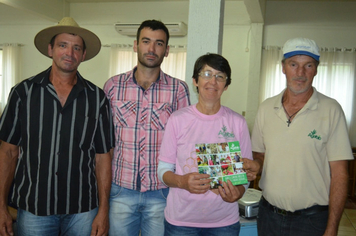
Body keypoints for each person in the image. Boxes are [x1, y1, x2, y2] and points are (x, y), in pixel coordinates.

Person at [0, 17, 114, 236]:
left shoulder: (97, 98)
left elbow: (103, 157)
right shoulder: (23, 93)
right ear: (51, 49)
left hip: (83, 210)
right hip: (34, 210)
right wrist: (1, 207)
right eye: (63, 45)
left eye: (76, 48)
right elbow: (8, 152)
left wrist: (103, 210)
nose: (69, 53)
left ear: (83, 55)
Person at [245, 37, 354, 236]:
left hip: (312, 221)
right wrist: (255, 165)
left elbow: (340, 174)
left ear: (316, 69)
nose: (300, 73)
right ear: (283, 67)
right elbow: (260, 156)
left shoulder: (331, 110)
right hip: (269, 216)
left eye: (308, 65)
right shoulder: (266, 108)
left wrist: (332, 228)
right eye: (294, 64)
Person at [103, 19, 190, 236]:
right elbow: (105, 143)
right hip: (121, 190)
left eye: (159, 43)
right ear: (135, 45)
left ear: (167, 50)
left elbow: (185, 144)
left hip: (161, 193)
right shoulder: (113, 86)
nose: (151, 49)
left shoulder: (178, 90)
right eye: (146, 41)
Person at [157, 53, 253, 235]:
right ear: (195, 81)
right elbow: (163, 170)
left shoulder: (238, 123)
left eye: (220, 76)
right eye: (207, 74)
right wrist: (182, 181)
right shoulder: (178, 119)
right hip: (181, 221)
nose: (213, 81)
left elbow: (245, 174)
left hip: (224, 222)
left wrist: (239, 192)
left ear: (226, 85)